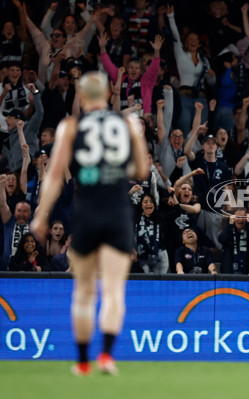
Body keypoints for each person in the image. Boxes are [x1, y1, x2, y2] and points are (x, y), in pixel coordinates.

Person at [31, 71, 149, 376]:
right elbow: (142, 168)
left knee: (83, 291)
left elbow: (55, 175)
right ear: (109, 95)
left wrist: (41, 215)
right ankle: (106, 357)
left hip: (87, 214)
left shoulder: (72, 126)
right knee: (113, 291)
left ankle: (82, 362)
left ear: (81, 97)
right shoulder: (127, 124)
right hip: (117, 214)